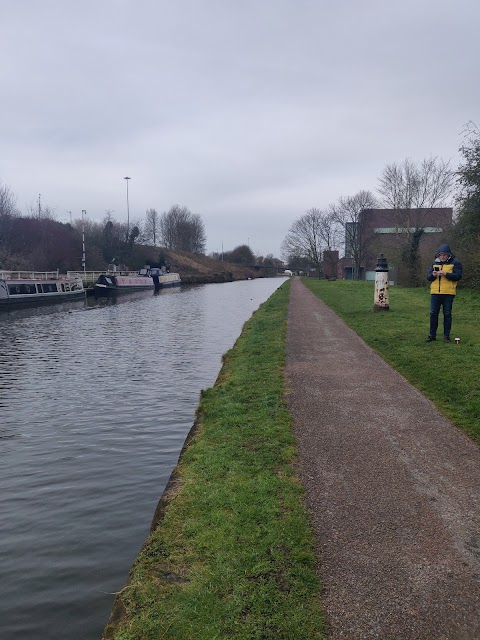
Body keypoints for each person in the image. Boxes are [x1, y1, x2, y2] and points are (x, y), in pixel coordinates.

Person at [425, 243, 462, 343]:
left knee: (447, 314)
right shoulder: (434, 263)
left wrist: (446, 274)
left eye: (444, 255)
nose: (442, 256)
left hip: (448, 293)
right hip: (435, 293)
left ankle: (446, 336)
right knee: (433, 314)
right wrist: (433, 275)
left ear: (448, 255)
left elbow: (458, 276)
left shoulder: (456, 263)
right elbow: (428, 278)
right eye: (440, 255)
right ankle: (432, 335)